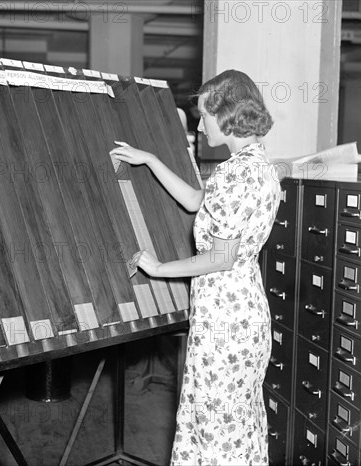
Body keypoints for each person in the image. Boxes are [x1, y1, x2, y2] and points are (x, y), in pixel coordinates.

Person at [110, 69, 281, 465]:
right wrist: (150, 160)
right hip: (245, 315)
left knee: (214, 431)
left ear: (226, 115)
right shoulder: (259, 167)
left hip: (225, 319)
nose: (200, 126)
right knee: (236, 427)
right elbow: (194, 200)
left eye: (205, 116)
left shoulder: (235, 173)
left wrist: (158, 267)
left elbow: (219, 257)